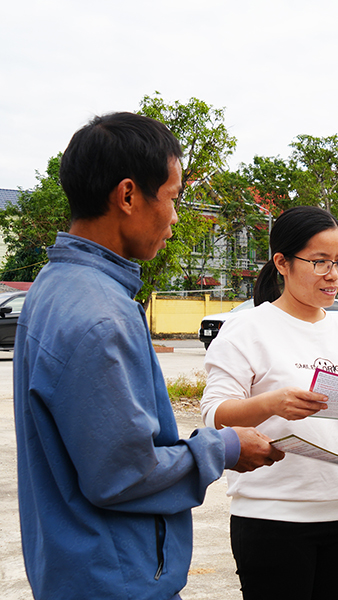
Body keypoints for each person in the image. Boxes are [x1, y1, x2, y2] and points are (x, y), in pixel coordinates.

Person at [13, 112, 283, 600]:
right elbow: (121, 474)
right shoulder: (99, 316)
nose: (176, 218)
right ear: (129, 195)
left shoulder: (55, 287)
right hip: (115, 579)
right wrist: (224, 448)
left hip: (75, 567)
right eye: (174, 198)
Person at [200, 205, 338, 600]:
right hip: (271, 515)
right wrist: (272, 403)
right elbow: (215, 416)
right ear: (282, 263)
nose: (334, 274)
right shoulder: (246, 330)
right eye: (320, 262)